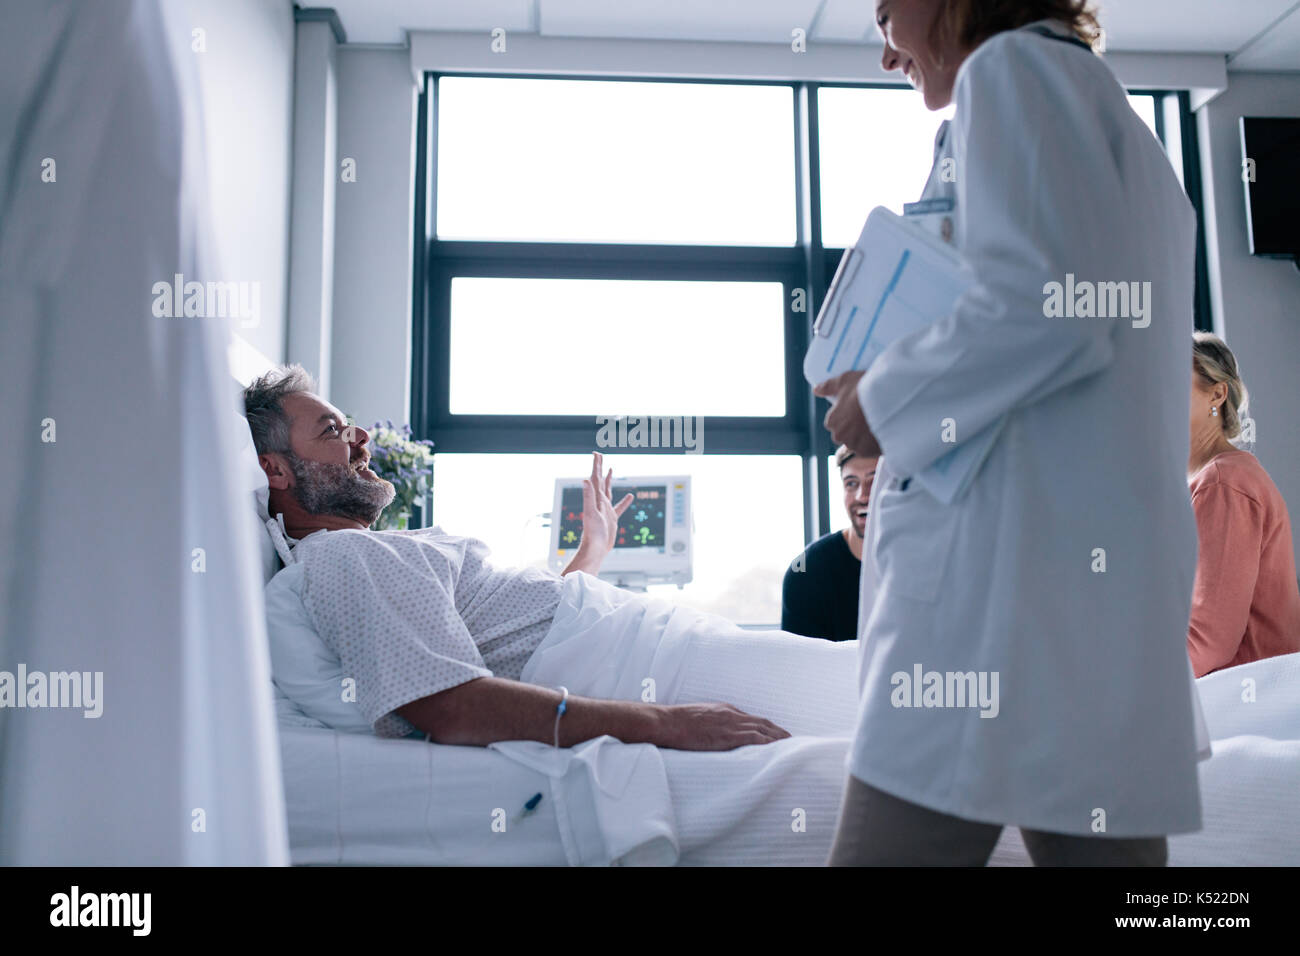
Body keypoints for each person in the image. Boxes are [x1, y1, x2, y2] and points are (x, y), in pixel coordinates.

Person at [815, 0, 1207, 865]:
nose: (886, 55)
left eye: (884, 18)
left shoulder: (1012, 72)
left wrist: (880, 398)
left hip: (999, 603)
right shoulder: (1111, 117)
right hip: (1085, 605)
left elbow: (1048, 309)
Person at [245, 366, 795, 751]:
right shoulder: (343, 558)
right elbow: (448, 706)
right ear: (276, 470)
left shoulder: (368, 554)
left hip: (655, 647)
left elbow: (531, 639)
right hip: (661, 665)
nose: (362, 436)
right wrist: (665, 723)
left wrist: (591, 552)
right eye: (333, 430)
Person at [1186, 332, 1300, 676]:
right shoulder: (1217, 479)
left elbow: (1208, 640)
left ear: (1217, 394)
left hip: (1240, 706)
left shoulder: (1223, 483)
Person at [782, 446, 879, 640]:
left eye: (874, 481)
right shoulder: (808, 570)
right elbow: (801, 664)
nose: (862, 496)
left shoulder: (927, 562)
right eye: (851, 483)